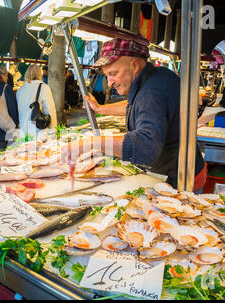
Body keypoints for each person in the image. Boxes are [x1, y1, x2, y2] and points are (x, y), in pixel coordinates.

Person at [60, 37, 206, 191]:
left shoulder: (151, 92)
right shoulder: (157, 76)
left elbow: (146, 146)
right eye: (107, 75)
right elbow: (137, 106)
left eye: (113, 73)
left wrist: (92, 143)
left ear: (134, 65)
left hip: (180, 180)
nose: (109, 83)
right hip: (189, 167)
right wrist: (100, 109)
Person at [16, 64, 57, 138]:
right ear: (39, 74)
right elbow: (50, 109)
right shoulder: (44, 87)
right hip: (38, 130)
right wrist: (53, 130)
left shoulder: (20, 90)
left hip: (23, 130)